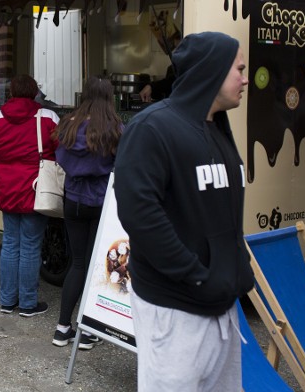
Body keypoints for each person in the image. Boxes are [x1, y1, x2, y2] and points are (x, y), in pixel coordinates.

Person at [115, 32, 253, 391]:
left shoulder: (217, 127)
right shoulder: (153, 127)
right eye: (238, 69)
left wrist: (238, 269)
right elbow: (138, 213)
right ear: (212, 71)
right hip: (175, 309)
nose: (245, 78)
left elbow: (220, 213)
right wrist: (196, 276)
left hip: (221, 307)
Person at [0, 74, 57, 316]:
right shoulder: (47, 117)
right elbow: (59, 150)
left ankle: (7, 301)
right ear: (34, 93)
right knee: (31, 246)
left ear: (10, 92)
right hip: (37, 190)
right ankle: (28, 304)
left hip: (7, 189)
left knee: (11, 244)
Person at [51, 76, 122, 350]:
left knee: (77, 263)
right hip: (101, 202)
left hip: (73, 200)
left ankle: (62, 328)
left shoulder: (68, 125)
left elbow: (59, 157)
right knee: (96, 266)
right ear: (109, 97)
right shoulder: (115, 128)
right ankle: (89, 330)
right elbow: (121, 164)